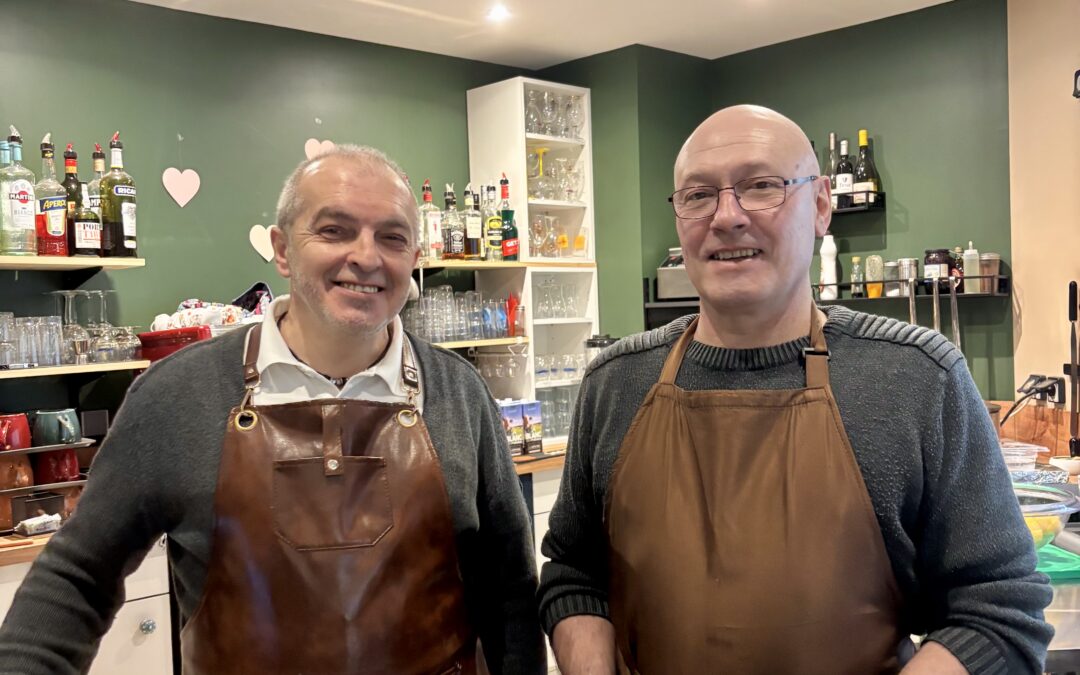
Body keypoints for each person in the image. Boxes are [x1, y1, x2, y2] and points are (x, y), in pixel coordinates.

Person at [538, 105, 1052, 674]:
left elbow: (999, 606)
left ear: (821, 205)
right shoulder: (614, 384)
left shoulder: (917, 380)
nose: (727, 217)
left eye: (762, 187)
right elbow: (573, 571)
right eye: (698, 195)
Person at [0, 145, 546, 674]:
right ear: (283, 250)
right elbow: (77, 577)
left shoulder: (459, 394)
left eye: (392, 237)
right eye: (334, 230)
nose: (366, 255)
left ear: (414, 259)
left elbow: (510, 592)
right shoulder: (177, 396)